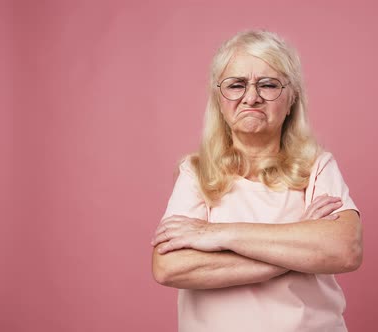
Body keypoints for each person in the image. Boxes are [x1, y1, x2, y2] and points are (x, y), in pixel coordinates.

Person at [151, 29, 362, 332]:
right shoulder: (196, 173)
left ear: (291, 99)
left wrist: (216, 234)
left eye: (268, 84)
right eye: (236, 85)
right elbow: (168, 267)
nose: (252, 97)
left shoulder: (317, 166)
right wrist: (299, 247)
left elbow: (345, 249)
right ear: (219, 100)